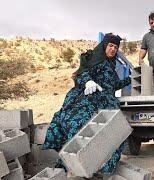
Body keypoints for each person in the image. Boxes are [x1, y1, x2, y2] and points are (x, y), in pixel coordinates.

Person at [42, 33, 131, 176]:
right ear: (104, 46)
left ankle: (96, 168)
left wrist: (129, 80)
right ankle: (69, 166)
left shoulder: (111, 66)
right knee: (79, 129)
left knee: (111, 135)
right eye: (110, 46)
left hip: (107, 103)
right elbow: (82, 73)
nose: (113, 49)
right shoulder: (95, 59)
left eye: (115, 47)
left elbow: (113, 85)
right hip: (91, 99)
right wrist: (88, 81)